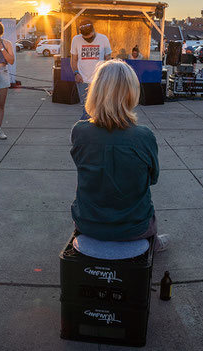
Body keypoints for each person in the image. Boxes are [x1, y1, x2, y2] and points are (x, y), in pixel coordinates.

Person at [71, 59, 167, 250]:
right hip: (135, 227)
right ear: (131, 92)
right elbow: (153, 178)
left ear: (95, 91)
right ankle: (154, 242)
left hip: (88, 223)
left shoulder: (79, 132)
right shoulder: (143, 136)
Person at [70, 19, 111, 119]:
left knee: (99, 108)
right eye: (86, 38)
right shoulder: (76, 39)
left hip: (99, 80)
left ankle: (93, 128)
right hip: (82, 80)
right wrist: (76, 73)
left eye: (90, 37)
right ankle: (87, 129)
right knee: (86, 109)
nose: (88, 40)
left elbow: (108, 58)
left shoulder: (103, 39)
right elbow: (73, 60)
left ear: (94, 30)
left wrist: (106, 75)